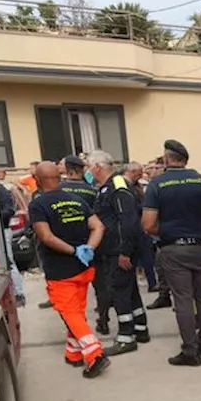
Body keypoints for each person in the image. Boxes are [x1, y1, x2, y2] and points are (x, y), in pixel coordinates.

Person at [143, 140, 201, 367]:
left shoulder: (157, 184)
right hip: (200, 246)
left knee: (182, 298)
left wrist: (167, 230)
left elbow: (148, 224)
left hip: (173, 248)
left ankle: (190, 351)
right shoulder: (200, 180)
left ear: (166, 158)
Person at [27, 161, 110, 378]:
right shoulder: (76, 199)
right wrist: (88, 249)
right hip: (84, 268)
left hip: (60, 269)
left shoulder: (38, 204)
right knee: (77, 311)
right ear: (60, 178)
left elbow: (46, 236)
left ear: (37, 180)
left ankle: (95, 354)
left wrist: (73, 251)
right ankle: (73, 353)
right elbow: (99, 226)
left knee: (70, 312)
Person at [85, 151, 150, 356]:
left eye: (89, 167)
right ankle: (140, 329)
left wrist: (125, 251)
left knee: (119, 290)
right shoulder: (105, 187)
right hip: (114, 249)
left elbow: (128, 220)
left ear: (97, 167)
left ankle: (126, 337)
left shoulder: (118, 185)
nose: (88, 171)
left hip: (118, 250)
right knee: (129, 290)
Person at [62, 154, 112, 333]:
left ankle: (77, 325)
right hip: (93, 243)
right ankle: (104, 320)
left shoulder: (59, 190)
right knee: (100, 285)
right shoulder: (93, 190)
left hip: (66, 246)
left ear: (67, 169)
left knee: (71, 289)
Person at [123, 162, 159, 293]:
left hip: (141, 225)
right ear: (131, 172)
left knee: (147, 256)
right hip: (133, 224)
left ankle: (152, 283)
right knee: (134, 257)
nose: (140, 176)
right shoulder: (125, 186)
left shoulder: (137, 185)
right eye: (138, 173)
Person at [0, 169, 26, 307]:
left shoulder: (0, 189)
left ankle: (19, 294)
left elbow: (9, 210)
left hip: (3, 229)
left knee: (9, 261)